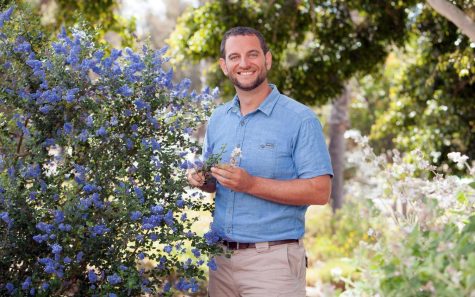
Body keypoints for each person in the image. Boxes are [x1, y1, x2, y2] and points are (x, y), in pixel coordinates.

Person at [187, 26, 333, 297]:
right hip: (221, 261)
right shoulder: (218, 119)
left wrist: (251, 184)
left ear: (268, 59)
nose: (243, 63)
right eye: (234, 57)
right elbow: (213, 183)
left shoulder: (300, 119)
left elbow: (320, 191)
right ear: (224, 65)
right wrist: (201, 178)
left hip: (273, 264)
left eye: (252, 54)